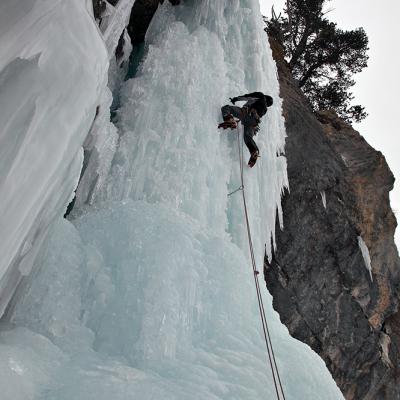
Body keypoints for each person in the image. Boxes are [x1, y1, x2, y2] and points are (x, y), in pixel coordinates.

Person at [218, 92, 273, 167]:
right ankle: (254, 150)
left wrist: (236, 99)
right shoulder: (265, 110)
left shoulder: (261, 96)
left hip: (246, 113)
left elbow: (248, 97)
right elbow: (251, 118)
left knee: (226, 108)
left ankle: (229, 120)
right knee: (248, 137)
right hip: (253, 123)